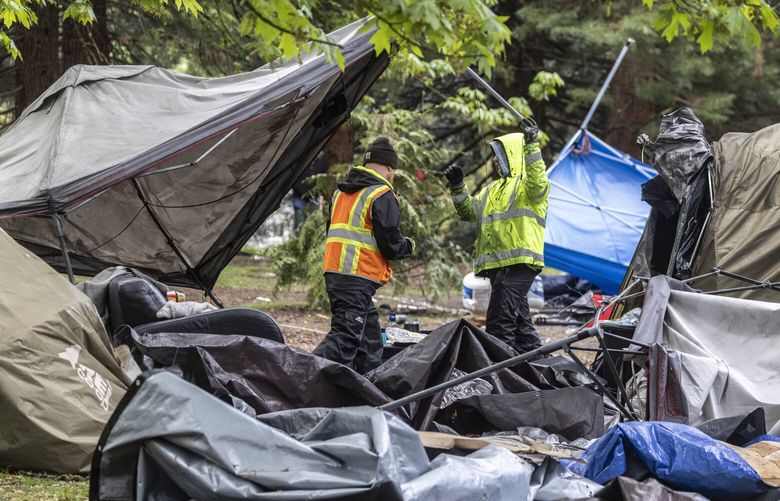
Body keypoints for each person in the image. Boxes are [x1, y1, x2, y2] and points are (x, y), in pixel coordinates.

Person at [444, 121, 549, 353]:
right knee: (520, 322)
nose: (495, 161)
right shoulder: (491, 190)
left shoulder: (529, 187)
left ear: (513, 155)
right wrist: (458, 186)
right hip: (498, 266)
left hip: (521, 264)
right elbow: (469, 212)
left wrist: (531, 145)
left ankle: (500, 372)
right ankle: (533, 364)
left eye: (500, 155)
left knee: (499, 320)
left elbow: (538, 180)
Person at [314, 137, 414, 373]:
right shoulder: (381, 194)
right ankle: (298, 377)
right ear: (390, 168)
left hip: (336, 272)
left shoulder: (341, 193)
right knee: (345, 338)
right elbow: (390, 242)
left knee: (369, 342)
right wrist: (407, 246)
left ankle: (369, 387)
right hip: (357, 276)